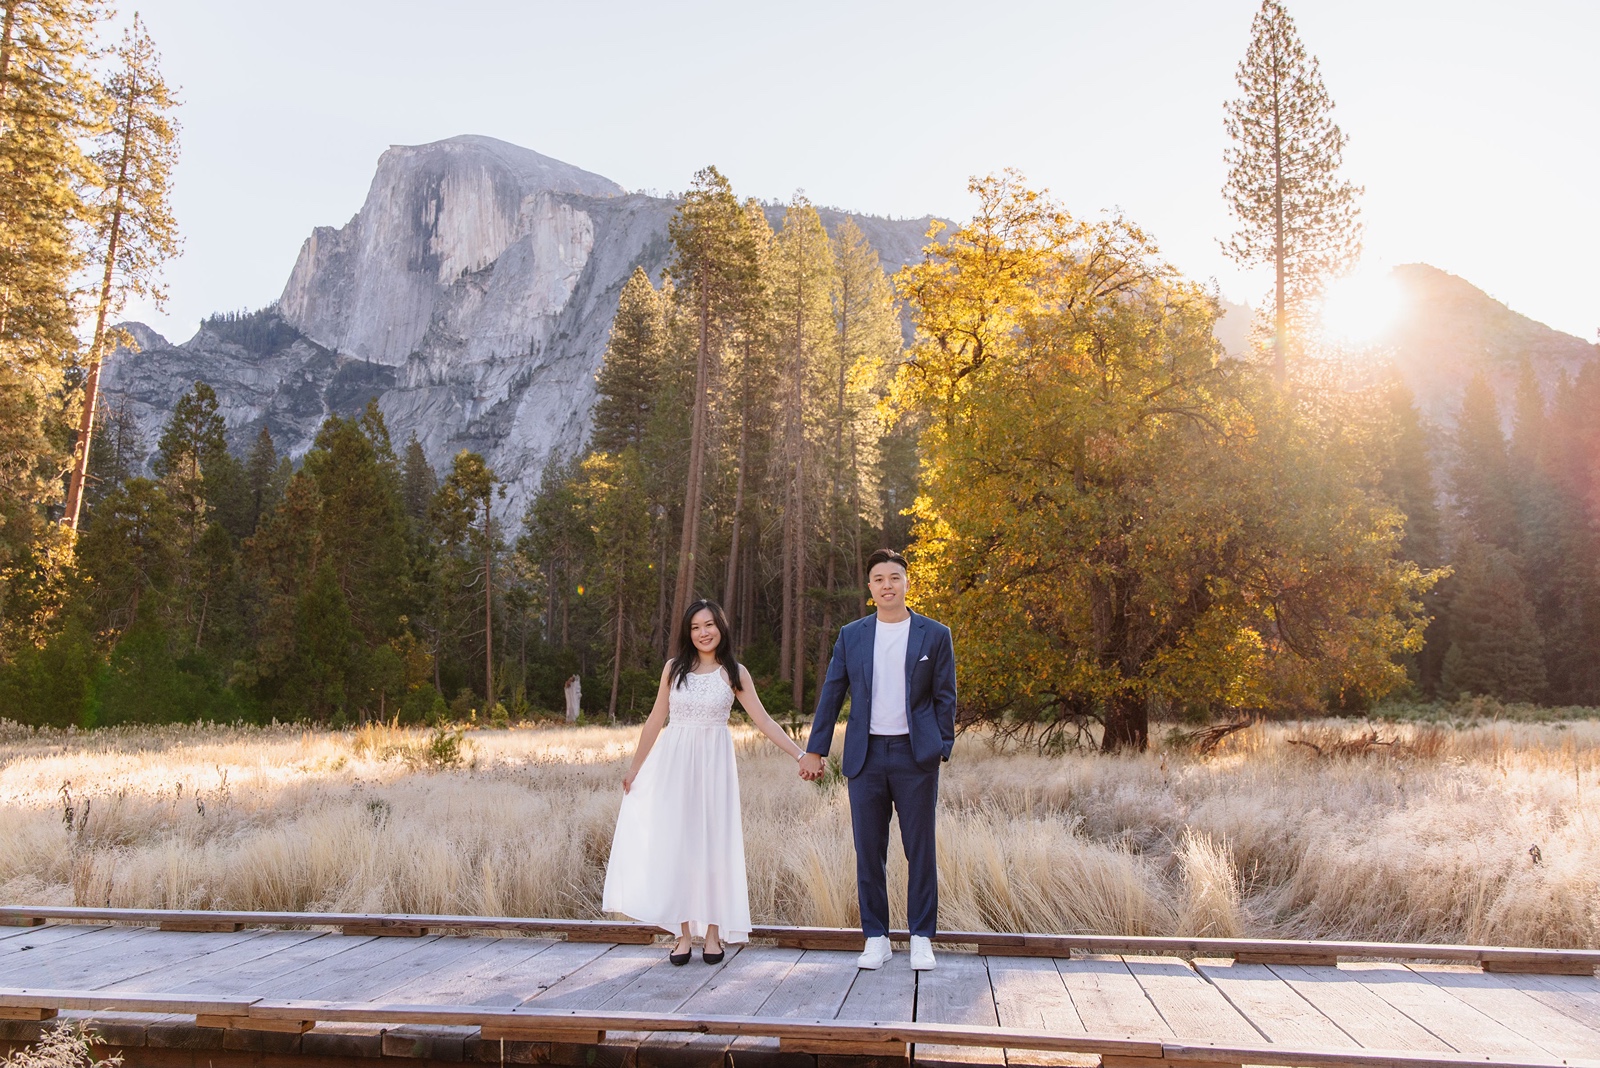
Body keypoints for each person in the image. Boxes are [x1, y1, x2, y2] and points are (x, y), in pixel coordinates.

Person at [603, 598, 807, 964]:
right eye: (695, 627)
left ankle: (713, 933)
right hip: (674, 764)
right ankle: (682, 935)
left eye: (709, 625)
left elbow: (764, 721)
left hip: (715, 766)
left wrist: (799, 753)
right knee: (677, 846)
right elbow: (654, 721)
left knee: (713, 846)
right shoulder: (674, 669)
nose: (703, 633)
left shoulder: (734, 672)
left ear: (721, 627)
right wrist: (634, 767)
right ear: (688, 633)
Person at [799, 548, 956, 971]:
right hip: (865, 758)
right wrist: (815, 748)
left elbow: (945, 696)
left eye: (894, 577)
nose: (887, 585)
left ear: (907, 582)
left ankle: (922, 937)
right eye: (878, 579)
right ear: (870, 588)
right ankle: (877, 937)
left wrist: (941, 746)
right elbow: (832, 693)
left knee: (919, 849)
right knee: (869, 850)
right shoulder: (852, 635)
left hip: (914, 756)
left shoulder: (934, 634)